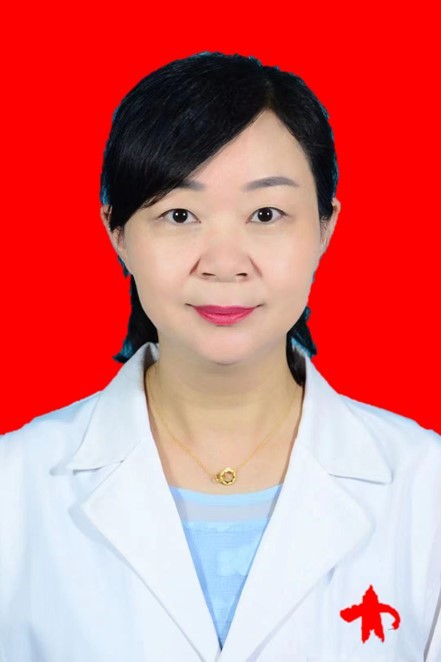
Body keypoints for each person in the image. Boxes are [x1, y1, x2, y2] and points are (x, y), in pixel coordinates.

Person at [0, 51, 440, 661]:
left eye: (267, 214)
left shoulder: (425, 489)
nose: (225, 263)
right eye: (180, 215)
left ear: (325, 228)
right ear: (117, 233)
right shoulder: (15, 488)